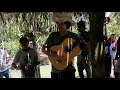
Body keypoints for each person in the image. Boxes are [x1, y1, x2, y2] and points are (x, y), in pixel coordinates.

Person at [42, 12, 81, 78]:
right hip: (55, 72)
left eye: (62, 23)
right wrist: (55, 55)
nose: (59, 25)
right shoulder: (53, 36)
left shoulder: (74, 36)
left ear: (67, 24)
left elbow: (82, 48)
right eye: (58, 23)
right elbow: (44, 49)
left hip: (69, 71)